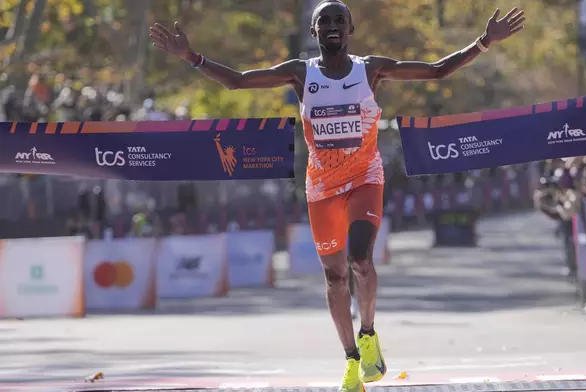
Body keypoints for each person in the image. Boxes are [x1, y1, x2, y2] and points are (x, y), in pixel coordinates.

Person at [149, 2, 525, 391]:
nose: (332, 26)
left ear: (350, 29)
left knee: (360, 258)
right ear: (314, 32)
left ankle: (368, 333)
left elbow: (436, 71)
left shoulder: (370, 69)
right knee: (334, 277)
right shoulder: (300, 72)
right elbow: (238, 81)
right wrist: (191, 57)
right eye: (324, 21)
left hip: (365, 178)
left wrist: (483, 42)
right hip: (322, 188)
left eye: (339, 21)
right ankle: (351, 359)